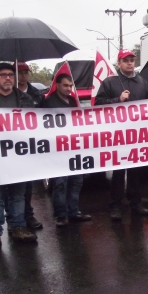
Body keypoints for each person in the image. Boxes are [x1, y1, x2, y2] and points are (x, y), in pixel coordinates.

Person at [0, 63, 38, 251]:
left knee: (17, 195)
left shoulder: (24, 99)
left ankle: (18, 227)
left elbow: (37, 124)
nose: (8, 78)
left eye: (11, 75)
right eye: (3, 75)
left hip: (19, 157)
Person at [95, 49, 148, 220]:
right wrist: (117, 100)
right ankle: (115, 205)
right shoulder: (110, 82)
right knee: (119, 172)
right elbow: (98, 104)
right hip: (118, 135)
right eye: (125, 60)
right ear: (119, 63)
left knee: (135, 171)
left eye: (132, 60)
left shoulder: (142, 82)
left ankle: (136, 202)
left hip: (136, 134)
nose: (130, 63)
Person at [44, 74, 92, 226]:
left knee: (76, 181)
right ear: (57, 85)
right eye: (65, 86)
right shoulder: (48, 103)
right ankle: (60, 215)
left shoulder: (72, 100)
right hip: (58, 149)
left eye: (70, 86)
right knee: (60, 183)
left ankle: (74, 211)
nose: (69, 89)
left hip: (73, 147)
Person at [11, 61, 44, 230]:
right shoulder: (7, 93)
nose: (23, 76)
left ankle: (28, 216)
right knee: (11, 188)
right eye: (20, 72)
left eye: (26, 72)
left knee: (27, 185)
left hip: (30, 146)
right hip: (10, 147)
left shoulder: (36, 94)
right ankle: (14, 220)